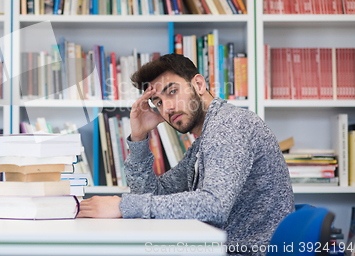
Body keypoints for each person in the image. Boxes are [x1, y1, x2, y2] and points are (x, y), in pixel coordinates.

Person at [77, 53, 294, 255]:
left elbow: (214, 205)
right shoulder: (204, 140)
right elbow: (154, 193)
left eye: (172, 91)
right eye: (158, 102)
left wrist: (123, 206)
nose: (167, 108)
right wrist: (139, 136)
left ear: (198, 84)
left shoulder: (231, 124)